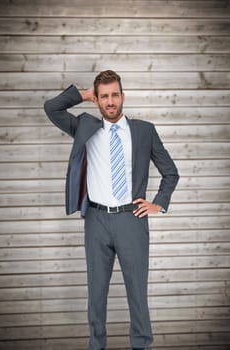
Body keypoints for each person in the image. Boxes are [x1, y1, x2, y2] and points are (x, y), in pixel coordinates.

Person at [44, 70, 179, 350]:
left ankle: (141, 345)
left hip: (132, 218)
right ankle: (97, 345)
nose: (110, 101)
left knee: (137, 293)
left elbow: (170, 173)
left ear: (123, 96)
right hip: (96, 220)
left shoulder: (144, 130)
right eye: (103, 96)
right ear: (96, 100)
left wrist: (159, 204)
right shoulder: (84, 126)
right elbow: (51, 107)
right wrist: (82, 93)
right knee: (96, 293)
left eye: (114, 95)